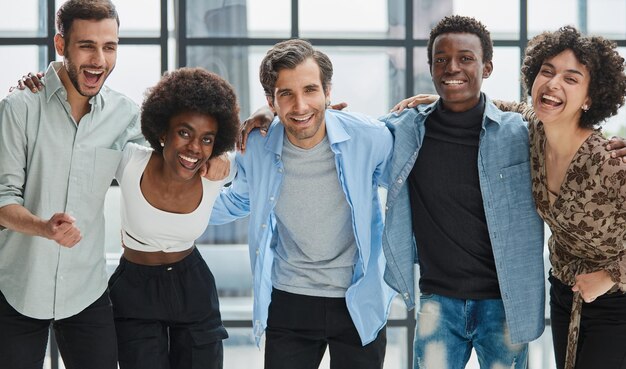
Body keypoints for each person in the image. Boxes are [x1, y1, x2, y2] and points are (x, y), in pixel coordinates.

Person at [209, 39, 395, 369]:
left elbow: (406, 181)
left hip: (357, 299)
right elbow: (238, 201)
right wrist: (174, 208)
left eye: (310, 90)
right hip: (291, 297)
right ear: (271, 100)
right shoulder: (257, 144)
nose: (300, 106)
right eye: (286, 94)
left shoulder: (370, 137)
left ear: (327, 91)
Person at [380, 16, 546, 369]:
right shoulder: (408, 130)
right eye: (441, 59)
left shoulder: (520, 133)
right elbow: (342, 134)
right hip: (438, 303)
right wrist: (267, 114)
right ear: (430, 66)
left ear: (486, 66)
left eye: (465, 58)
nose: (452, 67)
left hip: (504, 304)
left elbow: (569, 134)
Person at [0, 1, 140, 368]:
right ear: (61, 45)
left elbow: (173, 152)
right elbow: (2, 200)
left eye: (109, 47)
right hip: (17, 288)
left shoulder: (124, 116)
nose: (99, 59)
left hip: (86, 292)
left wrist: (253, 122)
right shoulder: (19, 108)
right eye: (86, 46)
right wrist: (44, 228)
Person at [106, 67, 238, 369]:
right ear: (163, 132)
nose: (194, 148)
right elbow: (85, 128)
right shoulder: (130, 162)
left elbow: (263, 143)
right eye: (184, 132)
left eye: (207, 139)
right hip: (134, 288)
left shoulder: (216, 171)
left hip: (192, 283)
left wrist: (261, 119)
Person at [510, 26, 626, 369]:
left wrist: (610, 276)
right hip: (563, 293)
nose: (553, 83)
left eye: (571, 78)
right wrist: (440, 101)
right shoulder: (533, 133)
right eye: (547, 71)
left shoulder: (612, 164)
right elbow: (504, 108)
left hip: (617, 301)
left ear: (590, 98)